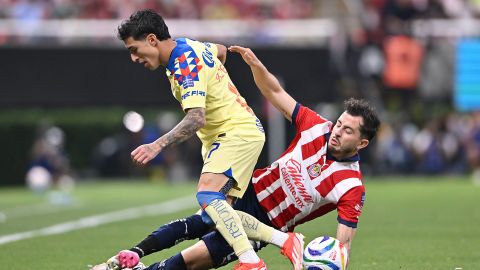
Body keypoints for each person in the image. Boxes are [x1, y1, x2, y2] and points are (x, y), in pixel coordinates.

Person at [93, 46, 380, 270]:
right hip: (247, 188)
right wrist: (256, 66)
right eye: (340, 123)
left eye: (347, 131)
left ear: (362, 142)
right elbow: (275, 91)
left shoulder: (350, 186)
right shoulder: (318, 127)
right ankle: (123, 259)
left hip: (266, 224)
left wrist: (334, 260)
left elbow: (343, 246)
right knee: (196, 221)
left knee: (194, 260)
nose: (337, 131)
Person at [116, 9, 269, 270]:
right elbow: (220, 51)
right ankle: (287, 241)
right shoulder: (187, 45)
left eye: (134, 49)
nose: (133, 58)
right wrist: (217, 81)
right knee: (214, 216)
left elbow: (197, 118)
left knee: (208, 195)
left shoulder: (183, 61)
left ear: (152, 39)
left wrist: (157, 145)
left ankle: (251, 262)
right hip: (231, 133)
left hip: (234, 132)